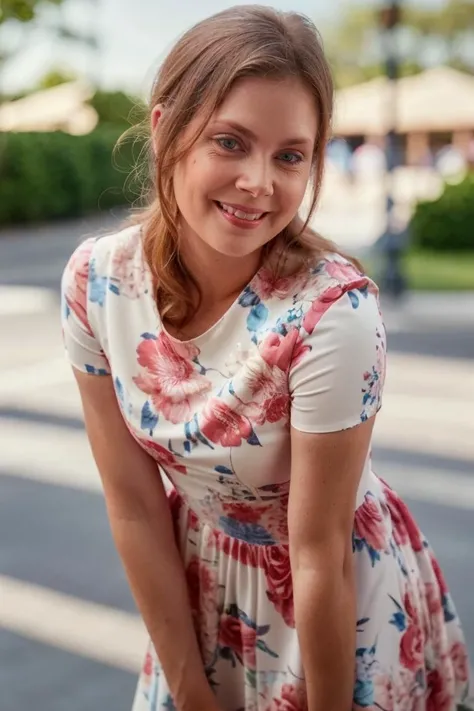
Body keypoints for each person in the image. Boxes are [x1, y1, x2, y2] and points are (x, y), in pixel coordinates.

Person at [60, 6, 471, 711]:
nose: (259, 182)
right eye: (230, 141)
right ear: (165, 132)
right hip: (194, 597)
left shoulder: (333, 312)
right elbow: (132, 507)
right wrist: (189, 690)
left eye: (290, 155)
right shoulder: (97, 285)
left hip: (336, 601)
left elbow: (320, 555)